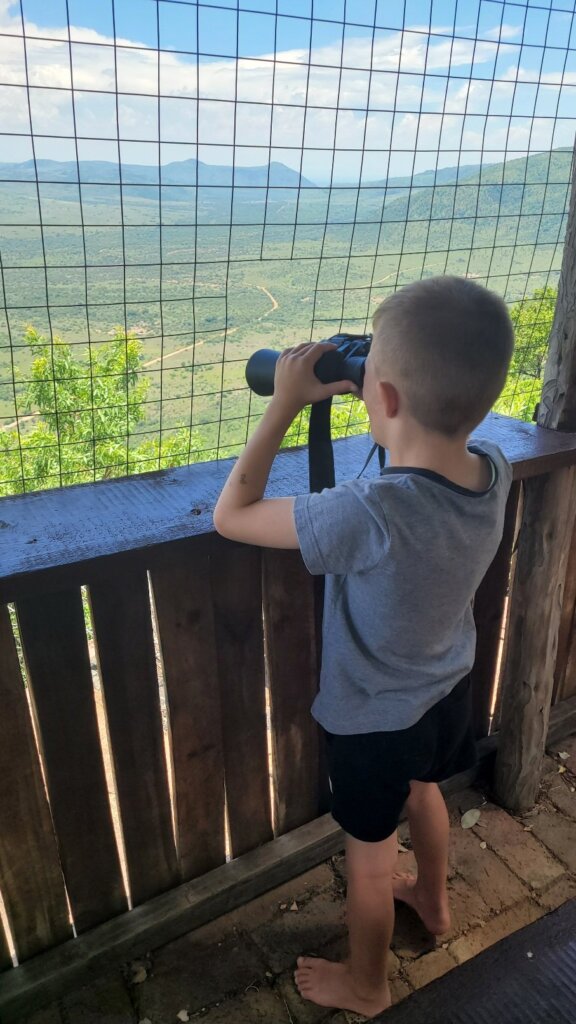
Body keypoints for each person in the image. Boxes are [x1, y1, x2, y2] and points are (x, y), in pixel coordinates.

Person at [213, 275, 514, 1018]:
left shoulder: (369, 512)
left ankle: (368, 985)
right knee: (427, 793)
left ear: (383, 397)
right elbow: (426, 456)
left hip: (373, 719)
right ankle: (435, 904)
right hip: (446, 689)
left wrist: (286, 402)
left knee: (371, 861)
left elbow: (233, 514)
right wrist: (393, 403)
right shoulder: (493, 469)